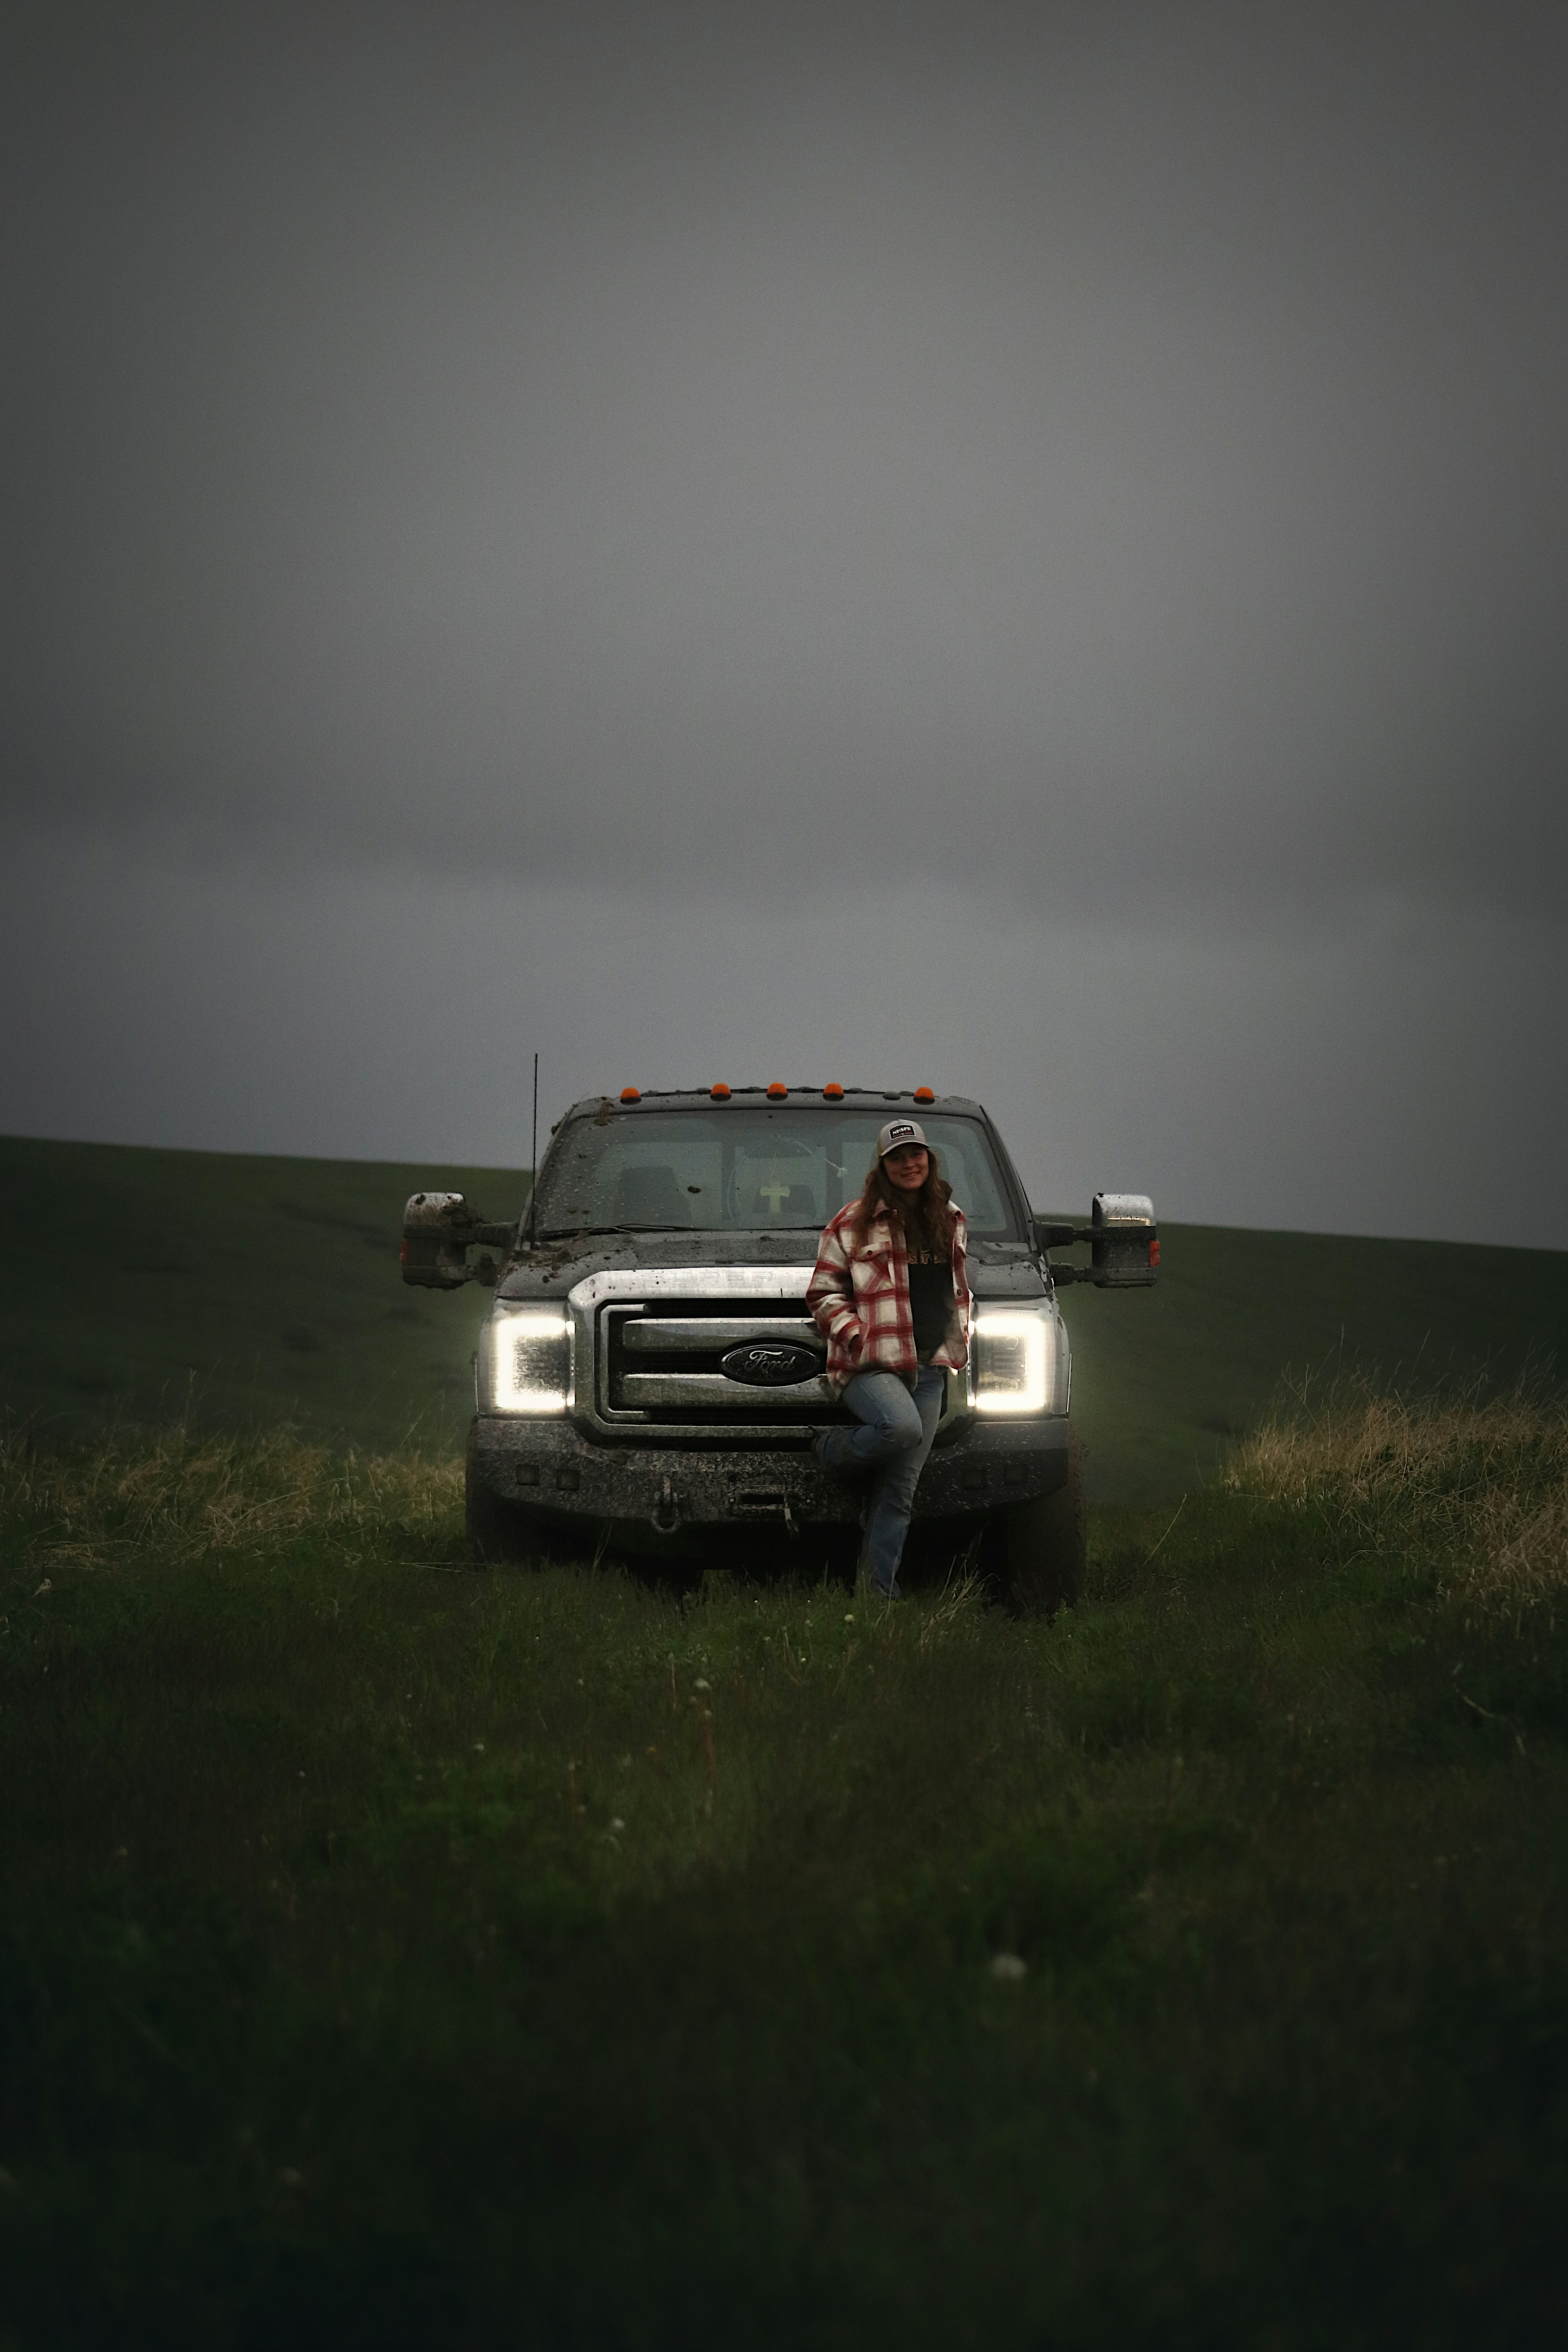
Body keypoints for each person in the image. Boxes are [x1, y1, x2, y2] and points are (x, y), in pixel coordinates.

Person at [807, 1118, 971, 1599]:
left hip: (929, 1368)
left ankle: (877, 1596)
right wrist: (859, 1338)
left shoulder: (952, 1219)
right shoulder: (852, 1222)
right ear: (882, 1167)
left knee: (899, 1493)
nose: (908, 1164)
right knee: (901, 1430)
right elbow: (822, 1293)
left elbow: (955, 1290)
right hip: (870, 1367)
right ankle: (832, 1450)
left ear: (929, 1159)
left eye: (915, 1154)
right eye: (897, 1158)